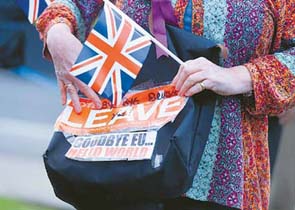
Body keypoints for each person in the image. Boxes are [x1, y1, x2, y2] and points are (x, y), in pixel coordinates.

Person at [36, 0, 295, 210]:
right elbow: (69, 7)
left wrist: (240, 76)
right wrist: (57, 35)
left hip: (222, 175)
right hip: (122, 158)